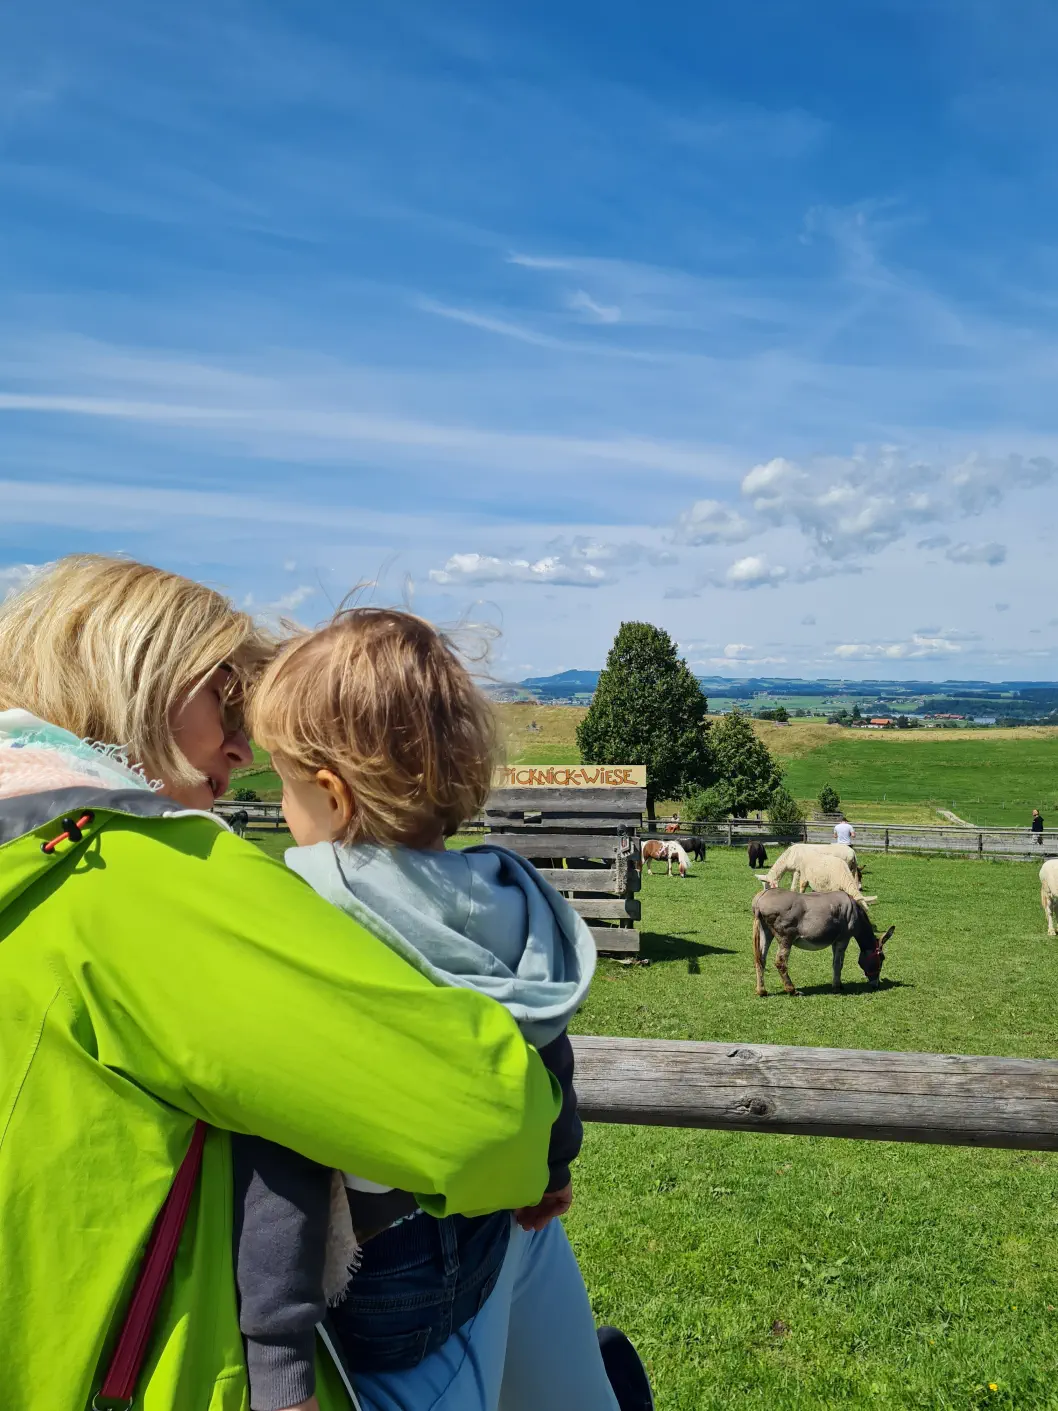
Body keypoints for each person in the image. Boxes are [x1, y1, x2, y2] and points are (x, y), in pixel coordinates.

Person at [0, 557, 560, 1411]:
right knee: (528, 1244)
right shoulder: (149, 877)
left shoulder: (27, 860)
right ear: (131, 674)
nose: (243, 746)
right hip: (187, 1379)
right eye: (224, 699)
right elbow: (496, 1125)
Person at [234, 607, 647, 1411]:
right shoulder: (502, 896)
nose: (281, 809)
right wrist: (555, 1162)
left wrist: (279, 1359)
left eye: (283, 782)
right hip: (492, 1234)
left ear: (332, 794)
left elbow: (286, 1145)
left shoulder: (319, 916)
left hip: (383, 1282)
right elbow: (544, 1040)